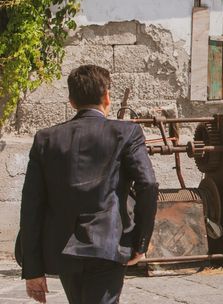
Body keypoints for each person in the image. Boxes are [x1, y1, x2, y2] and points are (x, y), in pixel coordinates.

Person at [19, 64, 158, 303]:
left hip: (63, 248)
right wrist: (140, 241)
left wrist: (33, 269)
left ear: (71, 101)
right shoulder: (127, 132)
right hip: (109, 244)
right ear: (107, 97)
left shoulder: (46, 139)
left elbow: (32, 205)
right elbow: (148, 185)